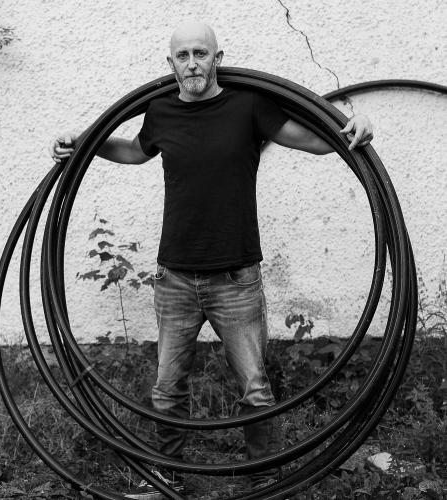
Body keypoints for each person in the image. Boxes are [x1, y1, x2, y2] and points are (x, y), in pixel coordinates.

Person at [50, 21, 373, 499]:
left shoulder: (248, 106)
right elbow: (135, 152)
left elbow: (314, 139)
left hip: (236, 277)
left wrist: (356, 126)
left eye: (201, 53)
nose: (192, 63)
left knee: (255, 388)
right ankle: (168, 478)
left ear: (218, 57)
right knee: (167, 388)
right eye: (182, 56)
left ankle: (265, 479)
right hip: (175, 277)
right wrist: (84, 143)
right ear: (171, 64)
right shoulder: (160, 111)